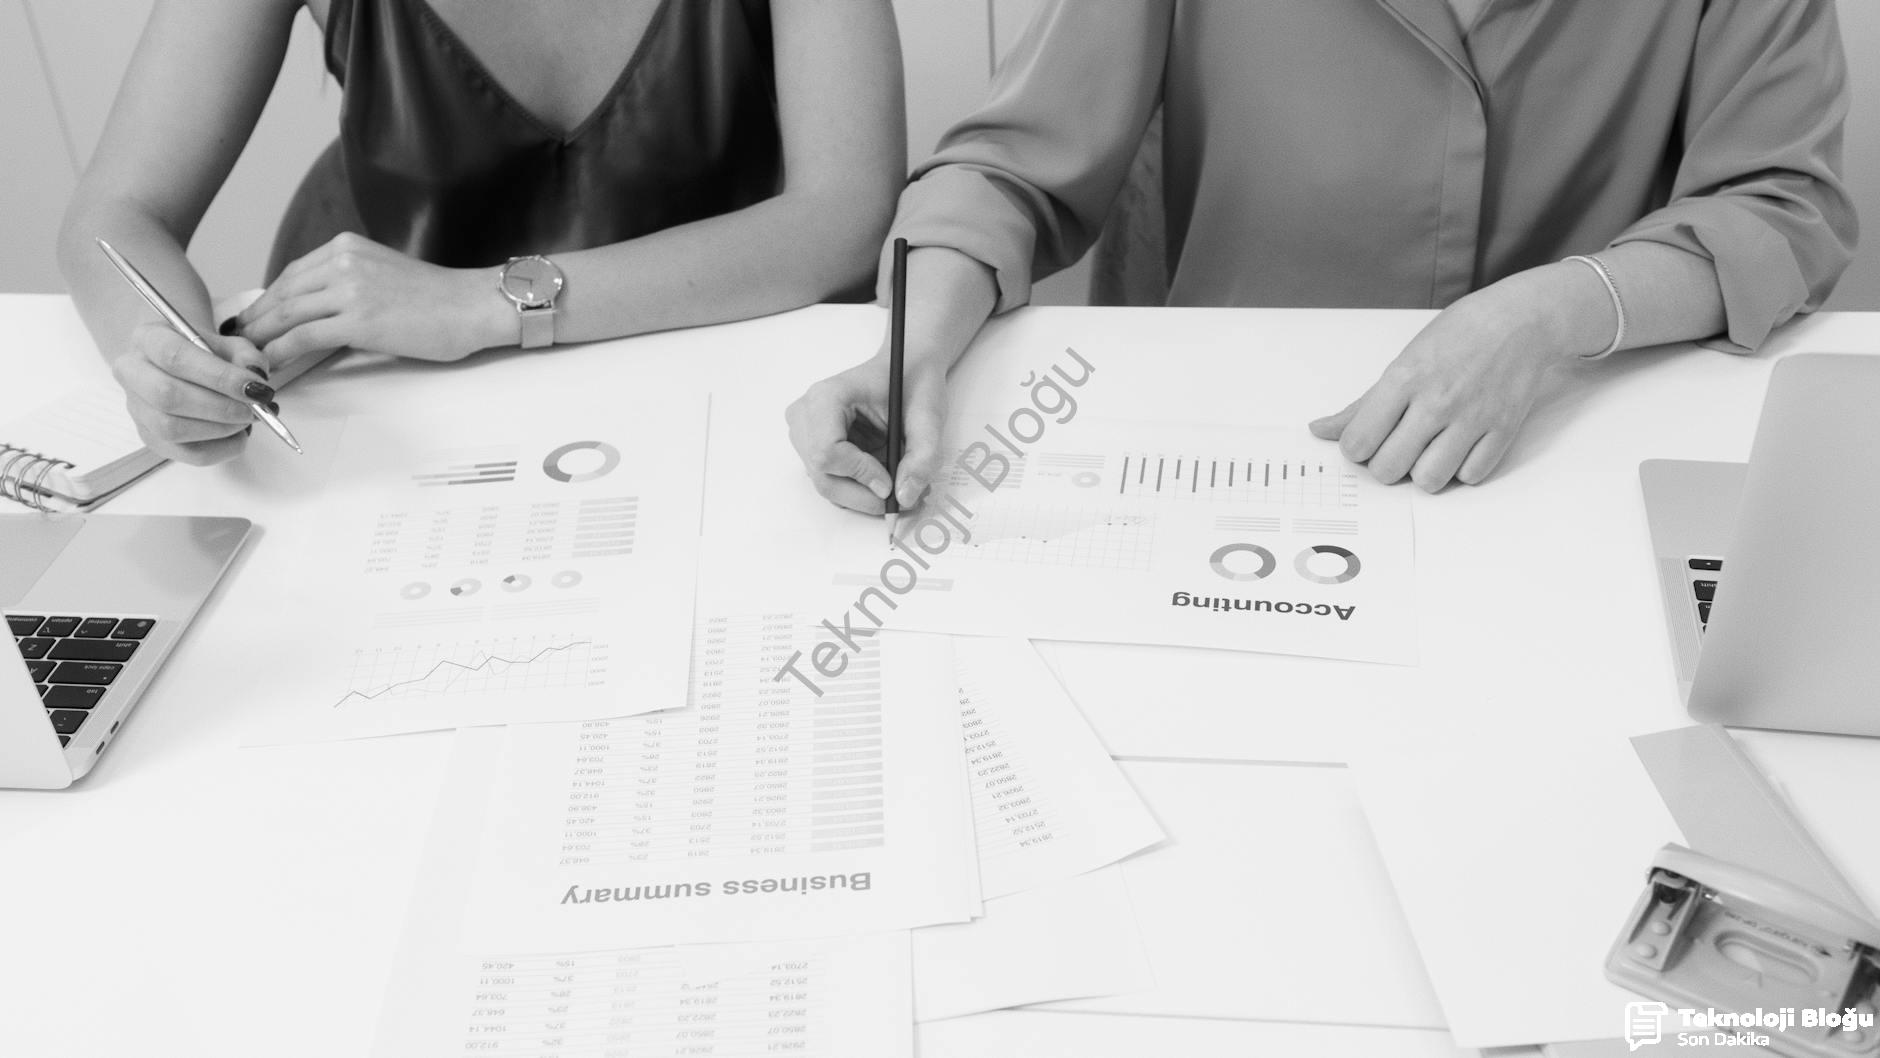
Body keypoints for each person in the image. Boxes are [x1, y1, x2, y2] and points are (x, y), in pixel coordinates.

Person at [787, 0, 1856, 512]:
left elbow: (1782, 210)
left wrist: (1551, 313)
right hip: (1224, 469)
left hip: (1567, 460)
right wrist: (912, 351)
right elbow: (1007, 173)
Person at [59, 0, 905, 466]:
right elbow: (118, 210)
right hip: (403, 425)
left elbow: (845, 214)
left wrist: (484, 304)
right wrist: (174, 366)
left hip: (715, 384)